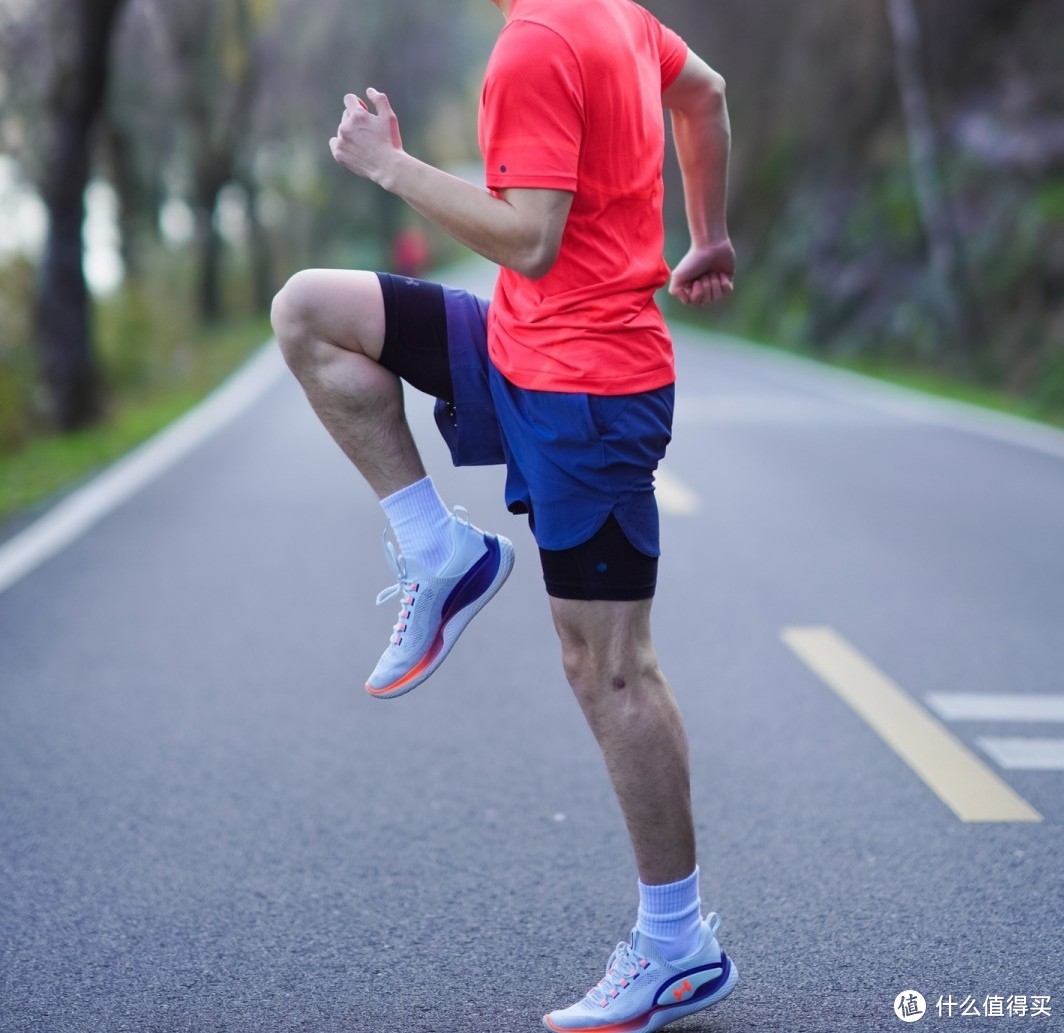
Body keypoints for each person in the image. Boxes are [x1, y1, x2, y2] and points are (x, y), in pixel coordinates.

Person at [270, 0, 737, 1029]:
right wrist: (706, 239)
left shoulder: (536, 44)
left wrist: (390, 167)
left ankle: (676, 946)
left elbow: (529, 239)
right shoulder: (614, 15)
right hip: (519, 350)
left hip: (591, 396)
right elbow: (702, 95)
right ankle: (439, 550)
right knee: (310, 309)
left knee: (609, 671)